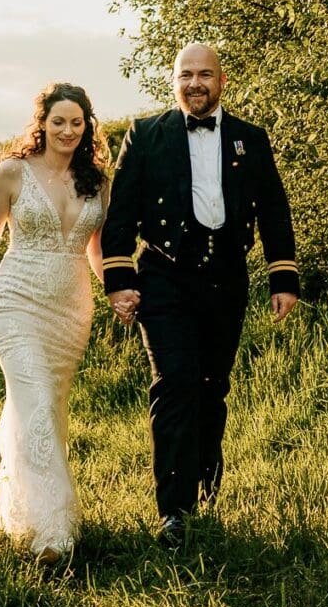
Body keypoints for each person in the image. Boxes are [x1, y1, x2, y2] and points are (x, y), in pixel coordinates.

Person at [102, 42, 299, 547]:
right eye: (186, 74)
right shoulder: (146, 135)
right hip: (164, 278)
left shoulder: (249, 139)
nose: (195, 83)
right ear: (174, 80)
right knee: (176, 382)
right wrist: (120, 280)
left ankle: (206, 491)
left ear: (222, 81)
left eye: (205, 74)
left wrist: (283, 278)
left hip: (228, 279)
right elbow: (120, 213)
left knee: (213, 387)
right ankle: (173, 511)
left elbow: (274, 209)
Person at [0, 82, 111, 566]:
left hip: (71, 310)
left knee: (47, 409)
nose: (67, 130)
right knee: (38, 402)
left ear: (87, 128)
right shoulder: (12, 173)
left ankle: (15, 508)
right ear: (41, 123)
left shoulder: (98, 181)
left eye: (76, 122)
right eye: (58, 121)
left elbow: (97, 253)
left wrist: (123, 293)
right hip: (15, 301)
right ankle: (53, 531)